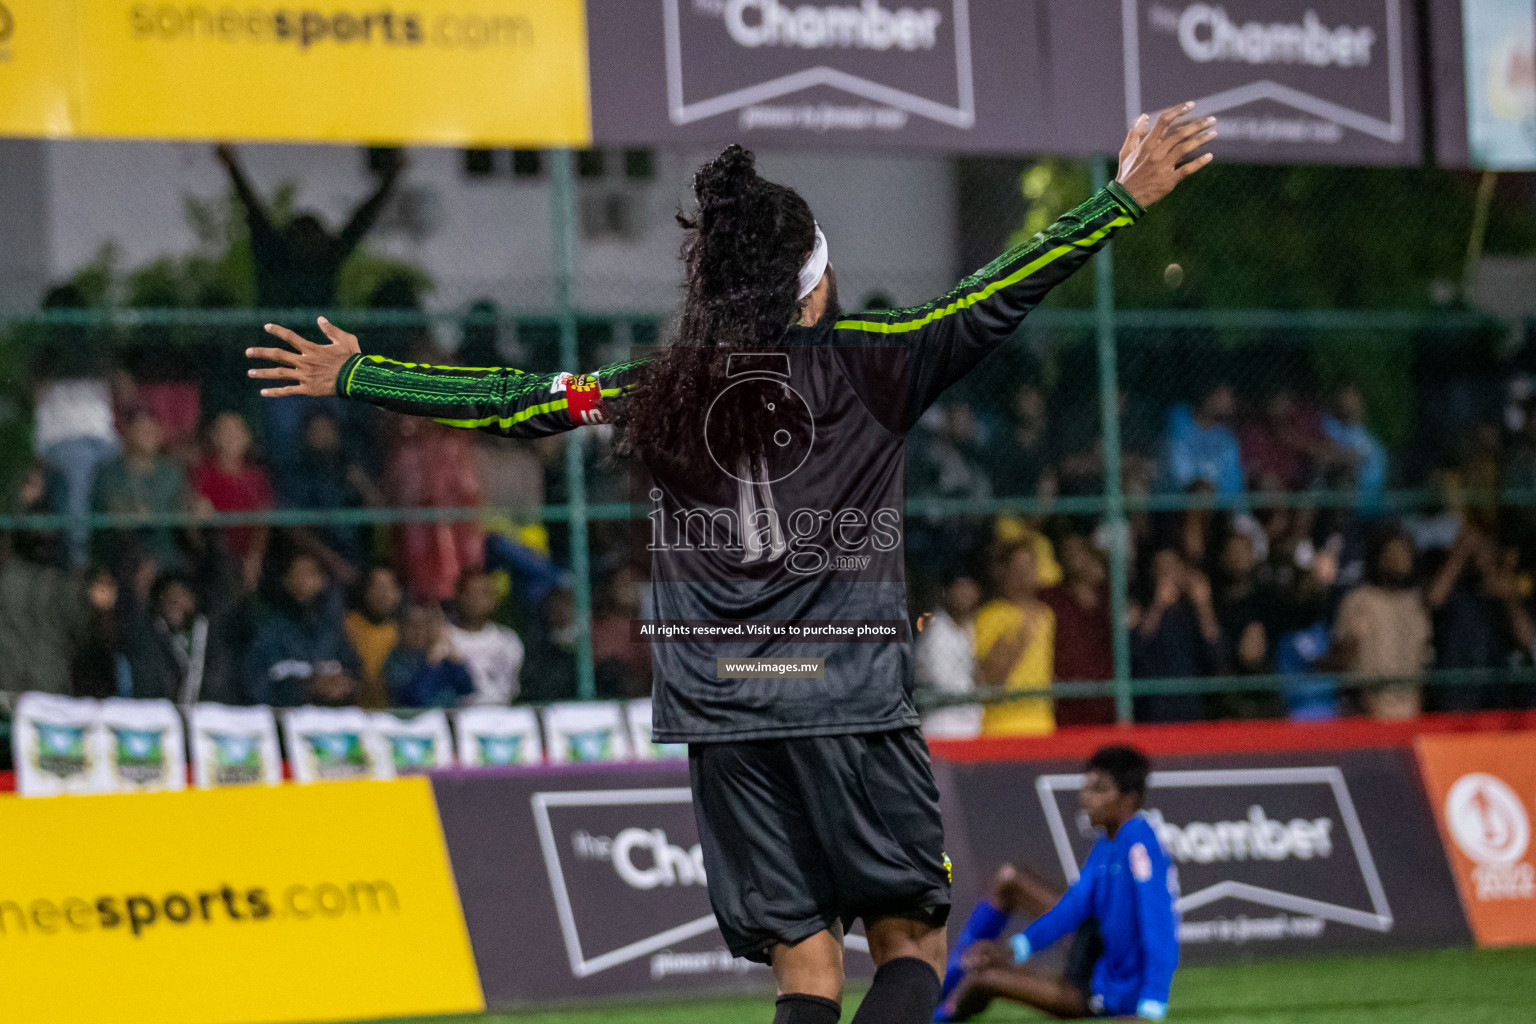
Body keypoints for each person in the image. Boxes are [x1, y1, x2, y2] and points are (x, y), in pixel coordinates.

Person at [247, 109, 1213, 1024]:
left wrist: (365, 374)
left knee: (804, 962)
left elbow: (518, 401)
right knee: (912, 938)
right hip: (847, 696)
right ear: (816, 282)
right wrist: (1120, 196)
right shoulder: (879, 359)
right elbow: (1003, 287)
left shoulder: (657, 386)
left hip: (722, 706)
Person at [936, 746, 1178, 1022]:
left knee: (982, 980)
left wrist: (1151, 1006)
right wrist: (1015, 949)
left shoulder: (1138, 843)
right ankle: (939, 993)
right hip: (1093, 966)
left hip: (1097, 993)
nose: (1086, 797)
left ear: (1128, 798)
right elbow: (1071, 908)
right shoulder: (1108, 844)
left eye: (1099, 789)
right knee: (1007, 895)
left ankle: (935, 1012)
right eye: (1086, 786)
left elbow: (1159, 925)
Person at [215, 143, 403, 310]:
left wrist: (232, 165)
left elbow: (360, 222)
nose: (307, 241)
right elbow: (360, 222)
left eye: (311, 234)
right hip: (286, 346)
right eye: (304, 234)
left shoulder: (313, 259)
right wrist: (391, 178)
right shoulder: (281, 257)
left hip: (307, 346)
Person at [1330, 527, 1431, 720]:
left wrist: (1417, 705)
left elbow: (1422, 662)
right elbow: (1341, 661)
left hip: (1410, 709)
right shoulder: (1359, 600)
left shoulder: (1415, 605)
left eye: (1403, 555)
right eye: (1391, 554)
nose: (1397, 561)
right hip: (1367, 709)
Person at [244, 551, 360, 707]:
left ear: (322, 581)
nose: (305, 581)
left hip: (332, 726)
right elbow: (255, 688)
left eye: (311, 574)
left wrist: (343, 689)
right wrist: (307, 689)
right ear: (286, 580)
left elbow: (355, 679)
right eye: (299, 574)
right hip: (281, 726)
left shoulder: (333, 632)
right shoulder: (268, 630)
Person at [973, 542, 1056, 737]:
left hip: (1043, 724)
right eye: (1018, 567)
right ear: (1005, 571)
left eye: (1029, 567)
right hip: (1002, 725)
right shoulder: (989, 616)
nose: (1024, 574)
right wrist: (1020, 637)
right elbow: (991, 679)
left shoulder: (1046, 614)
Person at [1038, 530, 1117, 727]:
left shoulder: (1109, 597)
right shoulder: (1050, 598)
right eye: (1067, 551)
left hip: (1105, 699)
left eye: (1078, 550)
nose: (1073, 556)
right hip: (1067, 701)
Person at [190, 412, 274, 594]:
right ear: (214, 437)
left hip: (252, 556)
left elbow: (263, 522)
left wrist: (254, 559)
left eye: (237, 431)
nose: (232, 437)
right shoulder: (202, 474)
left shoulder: (257, 477)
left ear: (247, 437)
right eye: (225, 431)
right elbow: (194, 528)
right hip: (215, 559)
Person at [916, 571, 983, 739]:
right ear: (946, 592)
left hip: (968, 722)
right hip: (942, 722)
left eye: (969, 586)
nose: (965, 593)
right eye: (959, 587)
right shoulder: (936, 629)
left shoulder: (969, 627)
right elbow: (942, 683)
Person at [447, 569, 525, 706]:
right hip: (459, 718)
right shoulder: (445, 638)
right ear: (457, 596)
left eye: (484, 593)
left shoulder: (508, 639)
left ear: (494, 599)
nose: (476, 600)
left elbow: (513, 688)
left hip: (502, 718)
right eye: (470, 593)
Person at [385, 604, 475, 708]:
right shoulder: (395, 660)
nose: (418, 632)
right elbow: (415, 700)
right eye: (412, 626)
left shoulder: (443, 656)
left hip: (448, 718)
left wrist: (457, 662)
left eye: (423, 625)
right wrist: (431, 665)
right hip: (411, 720)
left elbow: (467, 690)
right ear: (400, 629)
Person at [1163, 383, 1243, 497]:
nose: (1230, 402)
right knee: (1201, 492)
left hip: (1219, 501)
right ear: (1210, 397)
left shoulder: (1226, 435)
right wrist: (1198, 482)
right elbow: (1179, 470)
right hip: (1182, 496)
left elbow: (1233, 482)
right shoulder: (1180, 419)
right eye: (1224, 395)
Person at [344, 565, 404, 708]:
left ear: (399, 593)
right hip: (354, 714)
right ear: (365, 592)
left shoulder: (406, 632)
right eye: (377, 587)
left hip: (395, 714)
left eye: (388, 588)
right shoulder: (347, 626)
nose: (383, 594)